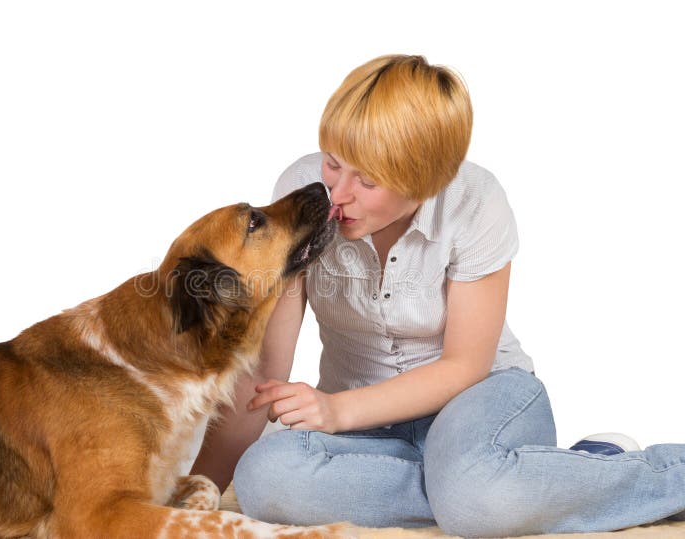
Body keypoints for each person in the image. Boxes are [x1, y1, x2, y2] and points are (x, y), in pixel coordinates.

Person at [189, 54, 685, 537]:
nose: (337, 194)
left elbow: (464, 366)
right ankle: (520, 482)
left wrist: (336, 413)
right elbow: (264, 370)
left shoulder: (474, 201)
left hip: (480, 397)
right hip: (366, 424)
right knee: (265, 479)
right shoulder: (303, 191)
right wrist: (197, 491)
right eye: (334, 162)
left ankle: (660, 472)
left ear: (425, 182)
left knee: (473, 492)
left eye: (368, 180)